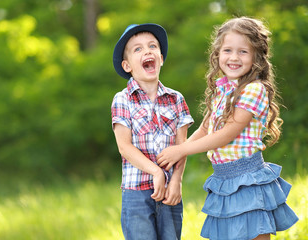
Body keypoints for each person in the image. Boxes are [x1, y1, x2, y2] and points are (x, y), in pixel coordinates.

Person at [157, 17, 298, 240]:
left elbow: (226, 134)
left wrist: (181, 151)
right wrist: (180, 149)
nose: (233, 57)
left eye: (243, 52)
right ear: (217, 54)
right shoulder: (222, 90)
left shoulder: (253, 90)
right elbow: (206, 129)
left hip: (248, 180)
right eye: (227, 50)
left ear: (256, 57)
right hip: (223, 182)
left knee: (254, 233)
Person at [111, 23, 194, 240]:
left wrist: (176, 180)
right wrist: (156, 172)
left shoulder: (176, 99)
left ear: (161, 58)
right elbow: (124, 146)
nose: (147, 51)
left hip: (169, 192)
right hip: (136, 192)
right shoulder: (123, 99)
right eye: (137, 49)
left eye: (152, 46)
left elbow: (181, 147)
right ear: (127, 65)